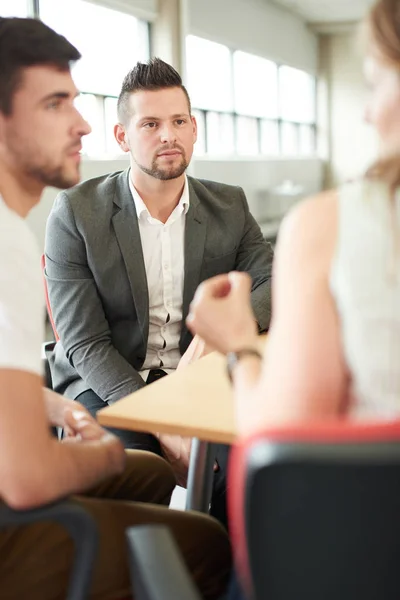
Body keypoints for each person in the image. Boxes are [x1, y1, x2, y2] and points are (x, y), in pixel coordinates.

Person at [0, 16, 231, 599]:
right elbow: (23, 478)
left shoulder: (11, 233)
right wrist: (101, 454)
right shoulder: (28, 236)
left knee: (158, 472)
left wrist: (45, 403)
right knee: (205, 542)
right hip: (14, 509)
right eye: (56, 105)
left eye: (177, 120)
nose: (81, 125)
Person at [44, 57, 273, 510]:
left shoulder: (229, 204)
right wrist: (164, 421)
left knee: (245, 468)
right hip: (107, 380)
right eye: (150, 123)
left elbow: (272, 283)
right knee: (130, 471)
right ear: (123, 136)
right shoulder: (76, 213)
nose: (168, 135)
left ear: (193, 129)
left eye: (178, 121)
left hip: (200, 375)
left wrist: (207, 343)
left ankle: (219, 575)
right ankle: (141, 578)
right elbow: (85, 343)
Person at [187, 0, 400, 433]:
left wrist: (239, 346)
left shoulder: (324, 223)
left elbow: (285, 438)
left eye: (374, 84)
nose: (366, 112)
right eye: (151, 124)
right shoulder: (81, 212)